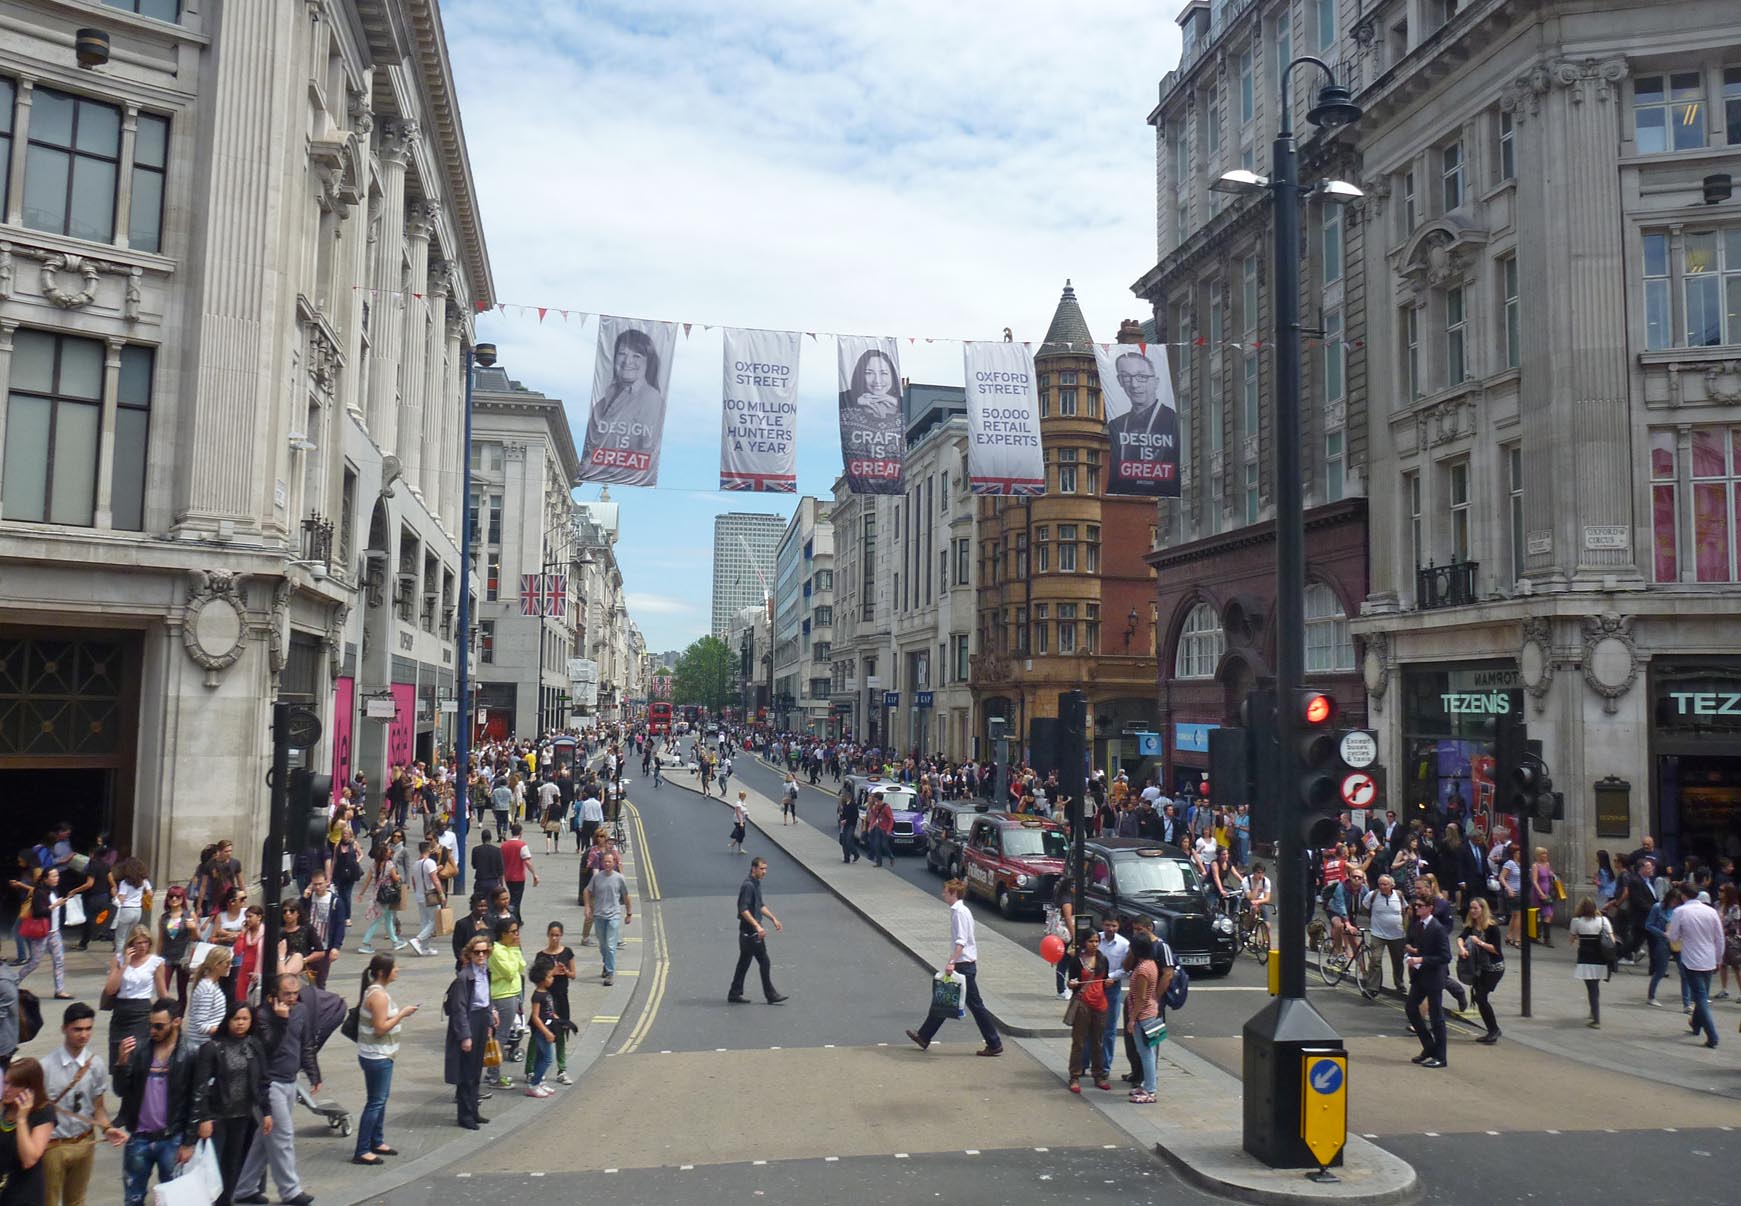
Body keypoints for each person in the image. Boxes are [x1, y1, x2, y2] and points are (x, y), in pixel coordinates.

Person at [235, 975, 318, 1206]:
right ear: (274, 995)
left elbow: (306, 1043)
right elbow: (266, 1049)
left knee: (265, 1138)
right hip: (268, 1084)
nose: (291, 998)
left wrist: (313, 1071)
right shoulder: (262, 1015)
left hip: (290, 1080)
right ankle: (290, 1191)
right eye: (286, 994)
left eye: (295, 994)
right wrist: (281, 1021)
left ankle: (245, 1188)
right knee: (282, 1136)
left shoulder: (301, 1011)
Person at [40, 1002, 127, 1206]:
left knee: (77, 1201)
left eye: (88, 1029)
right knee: (48, 1201)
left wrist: (107, 1128)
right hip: (54, 1146)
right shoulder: (46, 1067)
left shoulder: (95, 1064)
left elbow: (98, 1107)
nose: (83, 1035)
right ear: (64, 1028)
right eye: (77, 1029)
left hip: (85, 1142)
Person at [113, 998, 198, 1206]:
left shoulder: (190, 1052)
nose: (152, 1030)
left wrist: (189, 1142)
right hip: (139, 1138)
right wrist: (121, 1063)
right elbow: (121, 1090)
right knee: (133, 1198)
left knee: (173, 1199)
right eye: (150, 1025)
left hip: (171, 1138)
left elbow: (196, 1099)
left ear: (176, 1022)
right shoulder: (141, 1050)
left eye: (159, 1026)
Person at [905, 878, 999, 1055]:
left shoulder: (959, 912)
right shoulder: (960, 910)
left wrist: (951, 962)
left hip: (963, 965)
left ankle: (994, 1043)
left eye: (946, 892)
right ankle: (924, 1036)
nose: (943, 894)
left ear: (954, 894)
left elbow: (961, 941)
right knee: (944, 999)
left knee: (975, 1005)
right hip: (964, 964)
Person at [194, 1002, 270, 1206]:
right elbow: (200, 1086)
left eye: (245, 1019)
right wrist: (204, 1117)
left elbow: (262, 1081)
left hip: (242, 1115)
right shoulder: (213, 1047)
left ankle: (226, 1200)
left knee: (233, 1163)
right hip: (218, 1115)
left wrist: (267, 1111)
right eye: (236, 1019)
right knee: (211, 1164)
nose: (240, 1023)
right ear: (227, 1020)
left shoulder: (253, 1045)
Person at [582, 325, 670, 486]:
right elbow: (589, 451)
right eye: (622, 354)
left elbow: (646, 447)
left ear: (648, 362)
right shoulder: (602, 403)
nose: (627, 361)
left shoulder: (652, 400)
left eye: (637, 356)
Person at [352, 953, 418, 1165]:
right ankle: (362, 1148)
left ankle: (376, 1140)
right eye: (394, 968)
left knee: (380, 1099)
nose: (397, 971)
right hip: (377, 1055)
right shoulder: (378, 996)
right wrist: (402, 1014)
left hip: (377, 1053)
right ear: (383, 972)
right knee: (376, 1101)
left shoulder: (375, 991)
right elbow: (380, 1028)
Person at [1103, 348, 1179, 489]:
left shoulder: (1173, 420)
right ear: (1119, 381)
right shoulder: (1116, 424)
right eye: (1126, 377)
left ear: (1156, 382)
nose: (1134, 385)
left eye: (1142, 377)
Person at [444, 936, 497, 1131]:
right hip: (470, 1020)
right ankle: (464, 1115)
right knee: (466, 1071)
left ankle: (474, 1110)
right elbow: (459, 1008)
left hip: (482, 1019)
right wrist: (465, 1036)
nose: (481, 955)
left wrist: (491, 1018)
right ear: (470, 954)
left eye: (484, 952)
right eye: (477, 952)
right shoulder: (464, 977)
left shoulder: (486, 972)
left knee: (476, 1070)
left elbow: (487, 998)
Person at [1667, 887, 1726, 1049]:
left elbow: (1673, 936)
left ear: (1684, 896)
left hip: (1691, 958)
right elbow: (1719, 938)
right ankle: (1696, 1024)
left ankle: (1712, 1035)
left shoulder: (1681, 911)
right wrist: (1718, 958)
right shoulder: (1711, 912)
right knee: (1703, 994)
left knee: (1700, 998)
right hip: (1709, 958)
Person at [103, 926, 167, 1072]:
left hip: (142, 1010)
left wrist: (170, 1011)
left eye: (146, 942)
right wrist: (125, 964)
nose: (143, 946)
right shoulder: (119, 960)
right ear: (131, 944)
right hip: (121, 1010)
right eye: (139, 943)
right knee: (118, 1053)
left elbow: (162, 992)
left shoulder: (155, 962)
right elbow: (110, 989)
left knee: (137, 1053)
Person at [728, 857, 787, 1005]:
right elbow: (743, 910)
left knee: (744, 963)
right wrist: (757, 926)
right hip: (750, 933)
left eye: (766, 869)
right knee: (764, 961)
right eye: (762, 869)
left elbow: (760, 905)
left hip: (747, 933)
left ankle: (734, 993)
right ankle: (770, 994)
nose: (764, 872)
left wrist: (773, 919)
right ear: (753, 868)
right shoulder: (748, 886)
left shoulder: (756, 883)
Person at [0, 1058, 55, 1206]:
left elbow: (29, 1160)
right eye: (5, 1082)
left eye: (14, 1085)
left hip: (24, 1195)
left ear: (30, 1088)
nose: (6, 1089)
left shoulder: (43, 1113)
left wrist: (22, 1120)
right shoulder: (3, 1107)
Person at [1405, 895, 1451, 1068]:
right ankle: (1429, 1047)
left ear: (1430, 908)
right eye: (1416, 906)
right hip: (1419, 976)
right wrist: (1411, 950)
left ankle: (1441, 1056)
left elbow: (1445, 956)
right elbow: (1414, 945)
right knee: (1410, 1009)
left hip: (1433, 977)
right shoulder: (1417, 925)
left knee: (1437, 1017)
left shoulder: (1437, 928)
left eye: (1421, 906)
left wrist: (1421, 959)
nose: (1417, 909)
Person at [1062, 930, 1111, 1094]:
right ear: (1084, 943)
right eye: (1091, 941)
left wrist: (1109, 982)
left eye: (1097, 941)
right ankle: (1074, 1075)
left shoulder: (1103, 959)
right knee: (1079, 1042)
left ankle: (1099, 1074)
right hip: (1083, 1004)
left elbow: (1105, 981)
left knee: (1098, 1042)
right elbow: (1072, 981)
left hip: (1100, 1004)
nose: (1094, 944)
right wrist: (1071, 984)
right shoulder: (1077, 960)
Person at [533, 923, 576, 1086]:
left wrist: (565, 971)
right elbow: (538, 977)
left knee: (561, 1033)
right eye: (552, 935)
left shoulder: (567, 953)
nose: (554, 938)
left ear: (562, 935)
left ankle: (562, 1069)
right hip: (546, 999)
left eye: (557, 935)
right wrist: (552, 972)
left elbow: (573, 975)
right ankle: (538, 1069)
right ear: (547, 935)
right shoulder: (541, 956)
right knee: (544, 1034)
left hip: (562, 997)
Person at [1457, 898, 1505, 1043]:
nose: (1472, 911)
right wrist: (1462, 948)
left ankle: (1494, 1030)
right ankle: (1492, 1030)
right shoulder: (1471, 926)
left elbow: (1496, 950)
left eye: (1476, 908)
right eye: (1471, 908)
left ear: (1483, 909)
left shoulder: (1492, 927)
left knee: (1481, 997)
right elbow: (1461, 937)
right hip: (1478, 967)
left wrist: (1479, 942)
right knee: (1479, 998)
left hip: (1493, 968)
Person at [583, 851, 632, 988]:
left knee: (611, 946)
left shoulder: (619, 878)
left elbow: (626, 895)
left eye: (610, 861)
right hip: (599, 915)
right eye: (605, 861)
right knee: (603, 945)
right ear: (602, 863)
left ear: (614, 863)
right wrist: (587, 907)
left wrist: (629, 913)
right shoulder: (597, 877)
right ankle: (606, 964)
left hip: (614, 915)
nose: (607, 864)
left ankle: (610, 973)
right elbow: (587, 891)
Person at [486, 919, 526, 1089]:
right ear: (503, 934)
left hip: (513, 993)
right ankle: (494, 1075)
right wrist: (515, 950)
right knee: (501, 1036)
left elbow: (522, 966)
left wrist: (515, 951)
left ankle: (492, 1072)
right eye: (513, 931)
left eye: (517, 931)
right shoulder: (497, 950)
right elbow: (510, 973)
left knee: (502, 1035)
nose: (516, 935)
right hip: (504, 996)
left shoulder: (509, 949)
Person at [1569, 897, 1612, 1028]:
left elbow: (1571, 939)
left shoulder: (1576, 921)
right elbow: (1612, 939)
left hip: (1585, 957)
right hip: (1600, 957)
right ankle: (1593, 1012)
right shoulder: (1604, 921)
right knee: (1595, 986)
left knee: (1591, 988)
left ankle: (1596, 1018)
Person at [355, 844, 405, 954]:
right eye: (388, 851)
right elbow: (396, 879)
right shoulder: (389, 865)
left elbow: (367, 881)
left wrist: (361, 894)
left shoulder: (374, 865)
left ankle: (395, 941)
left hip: (377, 894)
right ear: (385, 853)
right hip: (386, 895)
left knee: (388, 918)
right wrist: (400, 876)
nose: (390, 852)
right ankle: (365, 943)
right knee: (378, 920)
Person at [1363, 874, 1408, 993]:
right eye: (1380, 884)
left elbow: (1405, 911)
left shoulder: (1399, 896)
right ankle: (1372, 987)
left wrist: (1405, 928)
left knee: (1398, 960)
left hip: (1397, 934)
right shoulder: (1372, 895)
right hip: (1378, 934)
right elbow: (1365, 908)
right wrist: (1374, 919)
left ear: (1392, 885)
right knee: (1375, 960)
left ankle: (1399, 983)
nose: (1382, 887)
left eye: (1385, 884)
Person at [183, 947, 233, 1052]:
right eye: (227, 963)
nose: (230, 966)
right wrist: (225, 1030)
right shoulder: (208, 989)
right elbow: (201, 1025)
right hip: (203, 1046)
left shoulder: (213, 985)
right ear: (216, 965)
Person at [523, 956, 559, 1098]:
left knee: (541, 1056)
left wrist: (554, 1017)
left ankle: (539, 1082)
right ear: (542, 979)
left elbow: (548, 1010)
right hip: (542, 1031)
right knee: (548, 1058)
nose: (552, 979)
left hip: (548, 1028)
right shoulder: (538, 995)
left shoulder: (546, 993)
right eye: (550, 976)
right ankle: (534, 1084)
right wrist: (546, 1032)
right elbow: (535, 1017)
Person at [109, 860, 151, 959]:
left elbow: (121, 899)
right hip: (137, 910)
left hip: (126, 910)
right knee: (130, 937)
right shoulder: (144, 881)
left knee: (120, 938)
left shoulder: (125, 883)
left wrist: (114, 894)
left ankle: (120, 961)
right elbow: (150, 893)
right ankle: (130, 959)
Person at [837, 788, 861, 864]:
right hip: (845, 825)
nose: (842, 797)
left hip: (851, 825)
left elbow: (855, 816)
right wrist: (842, 820)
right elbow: (843, 815)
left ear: (848, 797)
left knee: (848, 841)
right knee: (844, 841)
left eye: (843, 796)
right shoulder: (844, 804)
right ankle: (846, 858)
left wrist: (846, 820)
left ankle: (856, 854)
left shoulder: (853, 805)